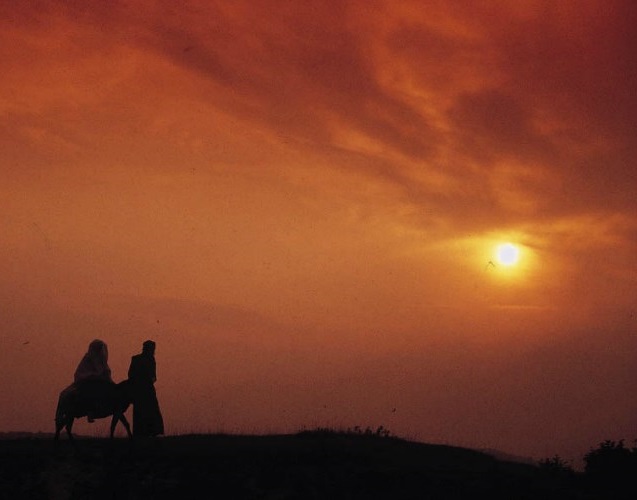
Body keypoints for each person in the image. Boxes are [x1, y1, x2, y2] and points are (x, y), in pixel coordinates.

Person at [58, 339, 114, 423]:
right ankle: (90, 411)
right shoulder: (87, 359)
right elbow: (81, 373)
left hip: (101, 382)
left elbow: (106, 372)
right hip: (86, 382)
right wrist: (93, 375)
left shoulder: (102, 360)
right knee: (90, 391)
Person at [128, 340, 164, 437]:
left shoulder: (136, 359)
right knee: (150, 410)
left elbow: (130, 375)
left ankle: (141, 432)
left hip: (139, 389)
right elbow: (153, 377)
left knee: (140, 411)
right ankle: (152, 432)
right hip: (147, 389)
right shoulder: (150, 359)